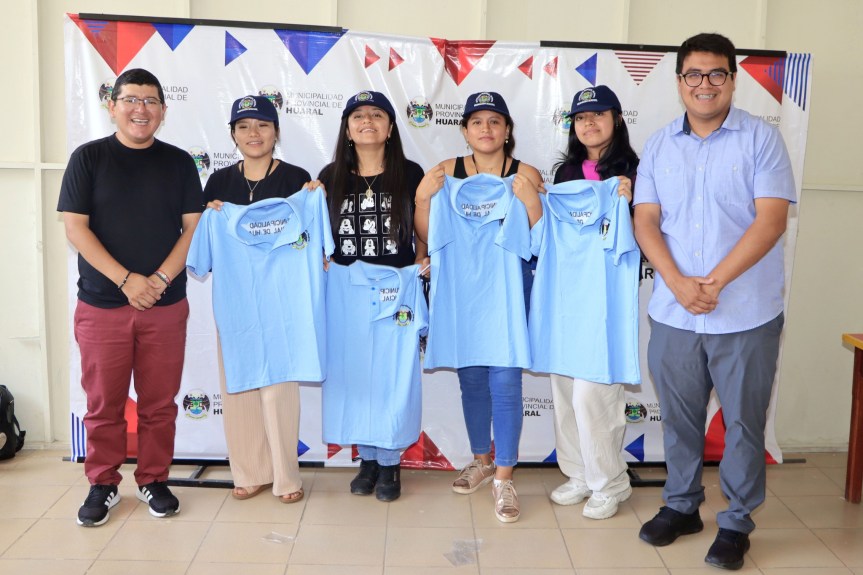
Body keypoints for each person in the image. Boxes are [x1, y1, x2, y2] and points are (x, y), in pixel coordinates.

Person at [633, 33, 796, 570]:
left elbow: (770, 220)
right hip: (675, 311)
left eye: (717, 74)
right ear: (679, 82)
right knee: (679, 419)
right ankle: (681, 506)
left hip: (745, 311)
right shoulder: (658, 145)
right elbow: (646, 219)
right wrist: (677, 281)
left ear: (733, 78)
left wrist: (714, 281)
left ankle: (736, 523)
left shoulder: (761, 141)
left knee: (744, 423)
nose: (705, 84)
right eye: (694, 75)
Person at [58, 68, 202, 526]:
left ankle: (154, 478)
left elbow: (193, 229)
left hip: (165, 304)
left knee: (160, 403)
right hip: (102, 305)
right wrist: (126, 281)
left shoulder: (179, 162)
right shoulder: (88, 158)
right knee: (104, 404)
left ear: (163, 110)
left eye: (151, 101)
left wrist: (157, 279)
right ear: (113, 105)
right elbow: (75, 227)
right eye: (131, 99)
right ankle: (103, 482)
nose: (141, 108)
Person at [415, 91, 543, 523]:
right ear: (465, 129)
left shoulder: (524, 173)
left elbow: (540, 237)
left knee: (505, 385)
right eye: (477, 122)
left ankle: (505, 476)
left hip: (506, 292)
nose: (486, 129)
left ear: (508, 130)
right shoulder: (444, 174)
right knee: (471, 382)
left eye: (495, 122)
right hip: (460, 295)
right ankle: (482, 459)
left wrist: (530, 200)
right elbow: (429, 234)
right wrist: (421, 198)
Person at [314, 90, 428, 501]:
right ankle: (368, 458)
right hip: (346, 290)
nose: (368, 121)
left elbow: (423, 232)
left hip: (396, 289)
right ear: (346, 128)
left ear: (391, 127)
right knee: (355, 374)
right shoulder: (328, 177)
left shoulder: (412, 173)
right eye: (358, 115)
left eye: (377, 115)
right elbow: (316, 236)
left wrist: (423, 260)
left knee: (394, 377)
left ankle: (391, 462)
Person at [199, 95, 310, 504]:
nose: (254, 134)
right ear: (232, 134)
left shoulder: (296, 178)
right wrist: (212, 214)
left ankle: (286, 477)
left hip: (283, 298)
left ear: (276, 131)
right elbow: (203, 246)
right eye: (244, 127)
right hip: (236, 299)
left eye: (262, 125)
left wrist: (311, 197)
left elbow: (310, 235)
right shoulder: (219, 183)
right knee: (238, 383)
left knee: (279, 384)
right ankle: (248, 471)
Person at [542, 85, 638, 520]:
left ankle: (610, 481)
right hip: (566, 294)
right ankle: (579, 473)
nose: (589, 123)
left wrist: (630, 202)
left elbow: (649, 231)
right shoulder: (564, 175)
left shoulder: (635, 170)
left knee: (592, 395)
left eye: (599, 115)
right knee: (563, 389)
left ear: (616, 119)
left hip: (608, 298)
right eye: (581, 117)